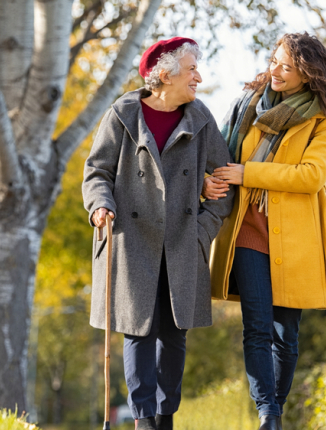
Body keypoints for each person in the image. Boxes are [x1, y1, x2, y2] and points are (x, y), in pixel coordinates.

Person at [201, 32, 326, 430]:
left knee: (286, 334)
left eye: (287, 67)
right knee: (257, 326)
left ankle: (275, 414)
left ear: (308, 74)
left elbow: (311, 175)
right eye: (274, 61)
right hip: (248, 228)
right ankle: (267, 413)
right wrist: (208, 180)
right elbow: (219, 152)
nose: (276, 71)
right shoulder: (249, 104)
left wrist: (248, 173)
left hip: (296, 236)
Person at [82, 37, 235, 430]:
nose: (199, 78)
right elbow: (97, 172)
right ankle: (144, 420)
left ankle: (166, 416)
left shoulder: (200, 118)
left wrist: (202, 230)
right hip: (132, 242)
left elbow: (225, 181)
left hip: (183, 242)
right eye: (191, 71)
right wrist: (100, 204)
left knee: (174, 335)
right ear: (164, 76)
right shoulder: (123, 114)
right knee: (138, 332)